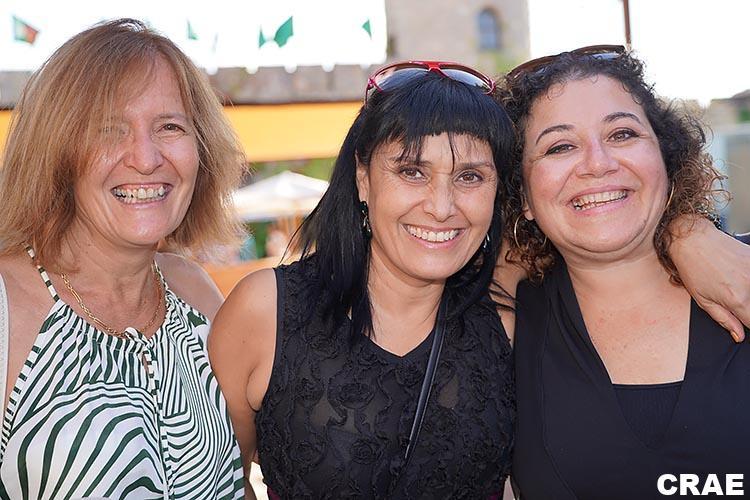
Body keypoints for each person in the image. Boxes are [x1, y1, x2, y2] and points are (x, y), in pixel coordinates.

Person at [209, 61, 516, 498]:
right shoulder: (264, 312)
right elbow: (221, 485)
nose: (442, 206)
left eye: (470, 177)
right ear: (362, 178)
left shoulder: (508, 324)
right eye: (412, 171)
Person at [0, 19, 245, 498]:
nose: (146, 158)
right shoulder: (7, 307)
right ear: (56, 151)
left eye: (169, 127)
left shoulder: (194, 292)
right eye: (109, 130)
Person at [498, 46, 750, 499]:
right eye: (560, 146)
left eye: (622, 134)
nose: (598, 163)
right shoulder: (504, 322)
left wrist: (687, 228)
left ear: (667, 160)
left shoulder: (741, 271)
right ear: (524, 196)